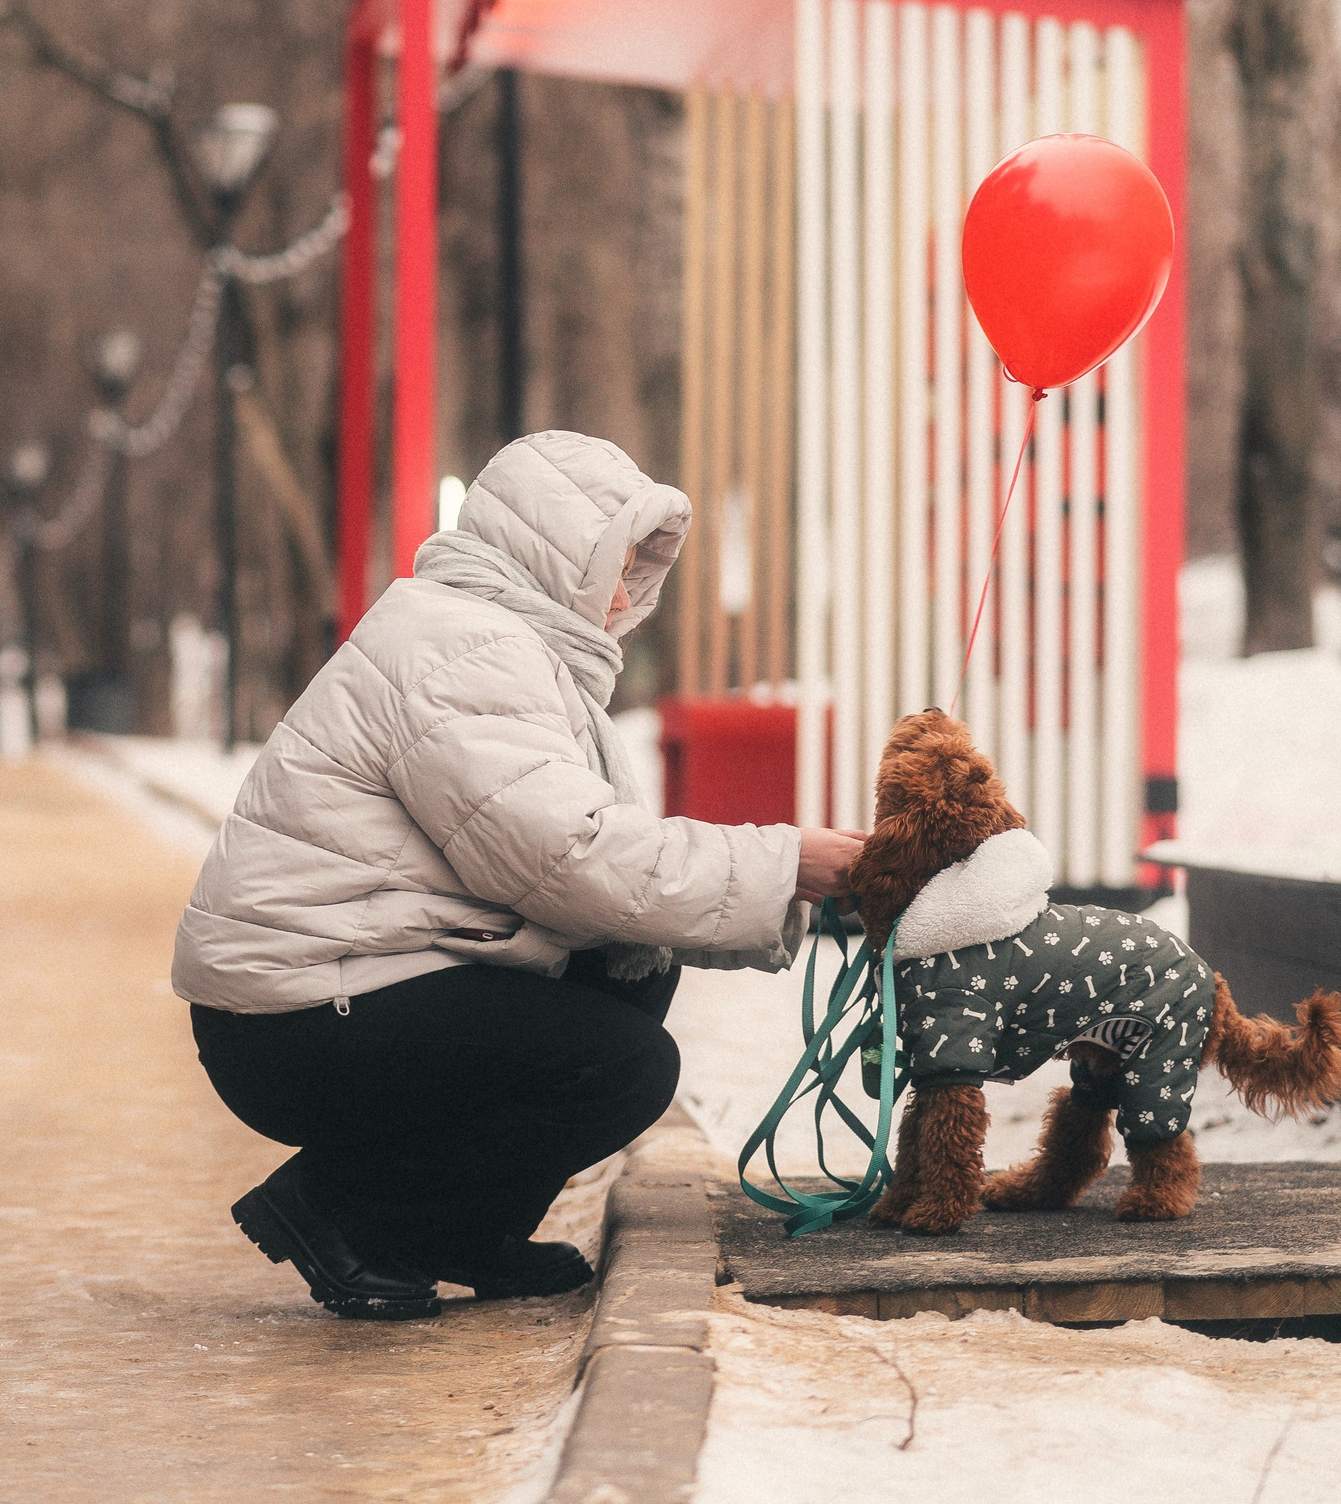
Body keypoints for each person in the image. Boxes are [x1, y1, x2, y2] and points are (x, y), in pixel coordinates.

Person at [175, 430, 865, 1320]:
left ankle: (465, 1231)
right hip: (293, 1017)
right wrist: (785, 862)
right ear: (553, 552)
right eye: (614, 564)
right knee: (623, 1066)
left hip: (337, 986)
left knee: (631, 968)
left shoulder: (493, 642)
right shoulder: (464, 652)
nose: (625, 596)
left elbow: (592, 871)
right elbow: (572, 859)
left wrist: (767, 884)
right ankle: (343, 1210)